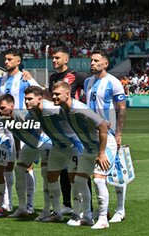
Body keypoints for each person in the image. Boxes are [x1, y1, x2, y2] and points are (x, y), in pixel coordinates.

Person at [51, 81, 117, 229]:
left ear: (67, 94)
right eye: (53, 94)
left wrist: (101, 153)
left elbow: (103, 126)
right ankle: (86, 216)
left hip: (104, 147)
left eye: (57, 94)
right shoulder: (63, 110)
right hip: (88, 148)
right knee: (80, 181)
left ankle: (102, 219)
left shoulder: (79, 108)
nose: (54, 97)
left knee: (99, 180)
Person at [0, 48, 40, 213]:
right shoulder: (2, 80)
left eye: (10, 59)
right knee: (8, 164)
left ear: (18, 61)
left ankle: (30, 204)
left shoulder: (25, 78)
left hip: (24, 126)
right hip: (6, 128)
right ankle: (8, 202)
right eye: (5, 59)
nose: (6, 62)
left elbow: (41, 94)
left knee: (27, 165)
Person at [24, 86, 82, 222]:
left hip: (72, 145)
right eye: (25, 99)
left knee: (74, 179)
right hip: (56, 147)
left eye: (29, 99)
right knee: (51, 177)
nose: (26, 102)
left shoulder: (54, 109)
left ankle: (78, 213)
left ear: (40, 98)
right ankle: (56, 213)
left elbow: (75, 116)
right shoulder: (30, 115)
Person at [84, 50, 127, 223]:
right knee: (98, 173)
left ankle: (120, 209)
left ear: (105, 63)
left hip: (109, 135)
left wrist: (118, 133)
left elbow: (122, 108)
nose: (92, 63)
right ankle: (104, 210)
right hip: (92, 136)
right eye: (91, 60)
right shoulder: (87, 81)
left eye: (96, 60)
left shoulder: (113, 82)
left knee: (114, 171)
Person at [0, 94, 52, 220]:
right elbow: (16, 134)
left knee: (46, 174)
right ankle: (22, 209)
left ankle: (47, 210)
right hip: (29, 145)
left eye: (3, 108)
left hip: (42, 143)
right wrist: (18, 150)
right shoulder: (5, 119)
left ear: (12, 106)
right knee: (19, 169)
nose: (0, 111)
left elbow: (40, 126)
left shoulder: (21, 116)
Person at [47, 46, 88, 215]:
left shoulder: (77, 75)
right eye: (53, 58)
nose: (54, 60)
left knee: (80, 169)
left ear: (66, 59)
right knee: (63, 167)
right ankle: (67, 204)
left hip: (75, 127)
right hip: (59, 127)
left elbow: (87, 92)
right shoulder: (53, 77)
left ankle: (88, 208)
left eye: (57, 58)